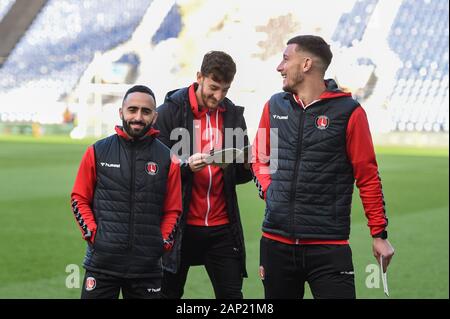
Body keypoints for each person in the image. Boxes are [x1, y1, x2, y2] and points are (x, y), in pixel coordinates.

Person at [252, 35, 395, 299]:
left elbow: (367, 176)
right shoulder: (273, 106)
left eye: (285, 59)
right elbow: (259, 156)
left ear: (306, 64)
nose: (279, 67)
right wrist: (270, 189)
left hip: (329, 247)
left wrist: (379, 234)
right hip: (275, 244)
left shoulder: (350, 113)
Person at [155, 51, 252, 299]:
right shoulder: (168, 113)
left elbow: (240, 176)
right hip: (179, 227)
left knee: (232, 298)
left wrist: (244, 166)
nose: (218, 97)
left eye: (225, 90)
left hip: (222, 227)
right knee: (168, 295)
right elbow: (154, 171)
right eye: (213, 87)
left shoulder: (233, 115)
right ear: (199, 77)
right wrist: (186, 168)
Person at [70, 85, 182, 299]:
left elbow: (173, 210)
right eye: (132, 110)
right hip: (102, 264)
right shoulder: (97, 151)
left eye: (145, 111)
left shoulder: (168, 158)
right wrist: (94, 235)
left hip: (147, 268)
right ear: (121, 112)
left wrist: (162, 243)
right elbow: (79, 199)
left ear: (154, 116)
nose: (138, 117)